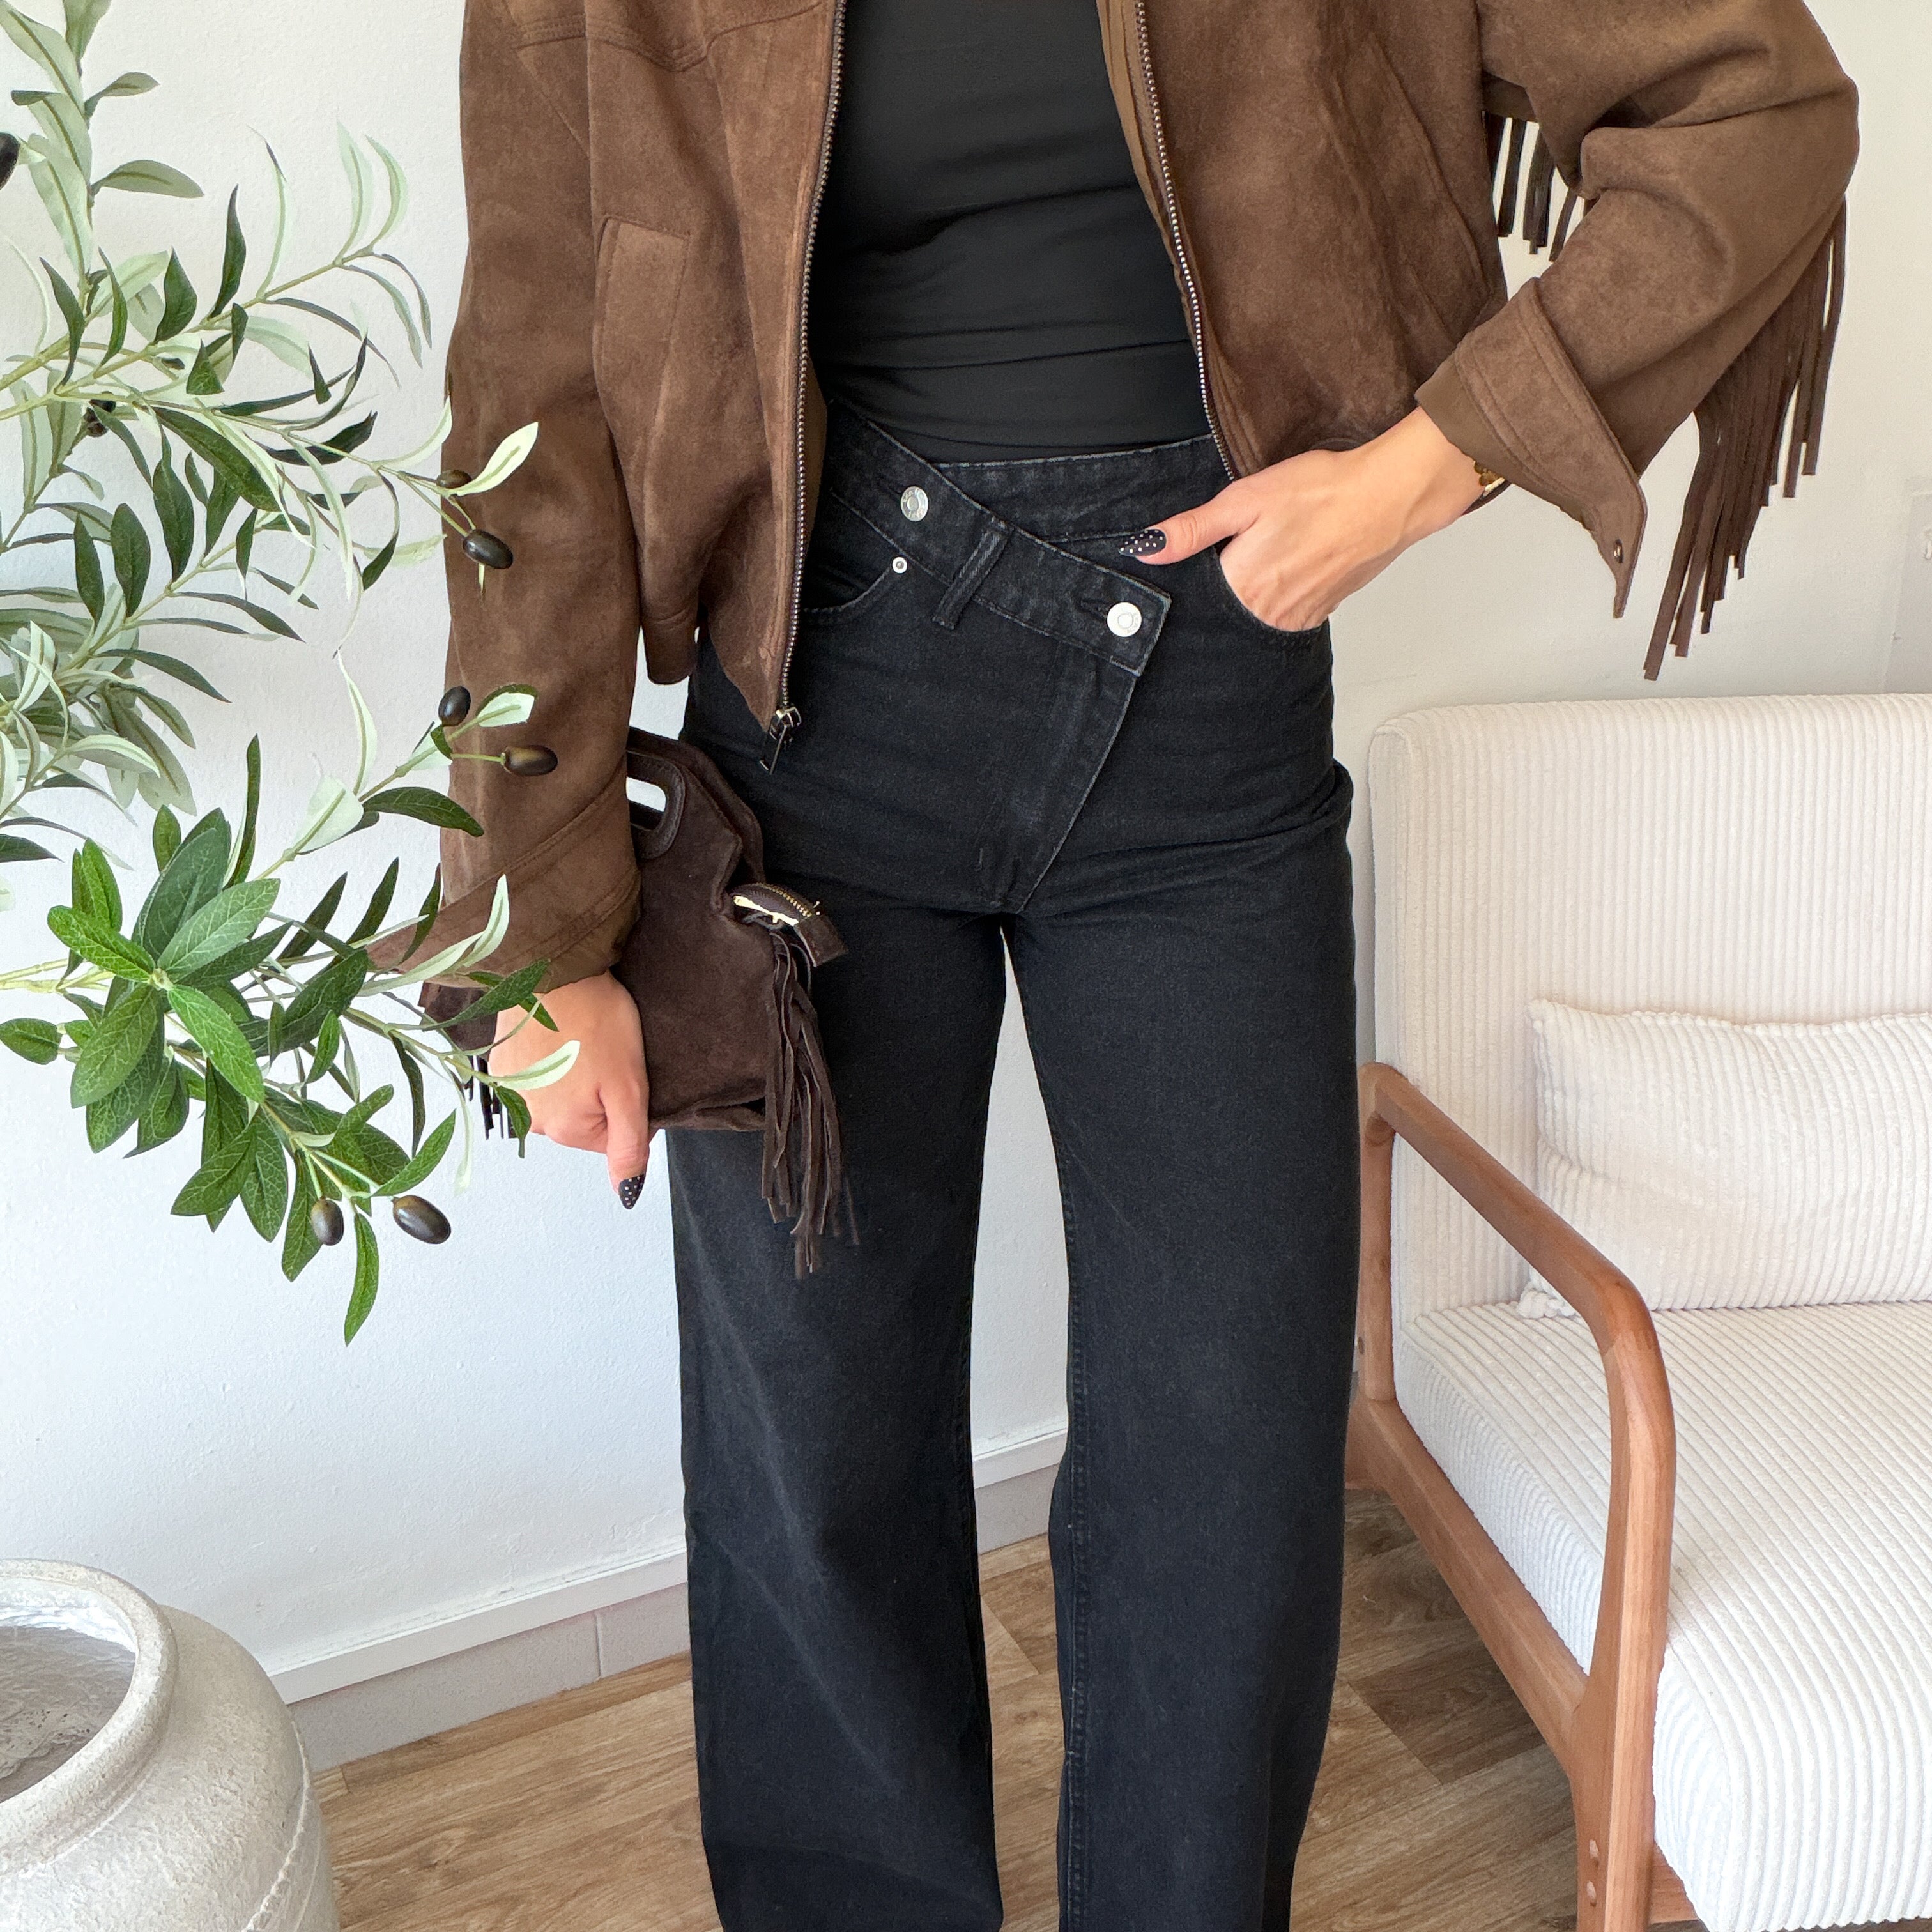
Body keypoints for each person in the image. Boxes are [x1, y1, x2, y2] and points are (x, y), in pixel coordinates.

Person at [432, 1, 1858, 1924]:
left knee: (1234, 1455)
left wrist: (1426, 463)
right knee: (814, 1451)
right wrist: (537, 917)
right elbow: (533, 382)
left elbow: (1756, 106)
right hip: (822, 707)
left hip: (1211, 722)